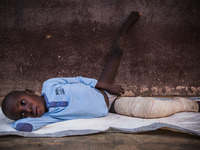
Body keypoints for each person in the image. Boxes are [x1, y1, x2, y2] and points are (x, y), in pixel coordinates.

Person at [1, 12, 199, 132]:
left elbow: (77, 80)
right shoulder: (47, 117)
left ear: (29, 91)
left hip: (102, 88)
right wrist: (17, 123)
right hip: (111, 105)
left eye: (23, 103)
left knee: (118, 52)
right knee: (152, 110)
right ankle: (191, 106)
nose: (27, 111)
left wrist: (104, 85)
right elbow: (24, 127)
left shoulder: (50, 84)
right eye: (22, 114)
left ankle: (123, 29)